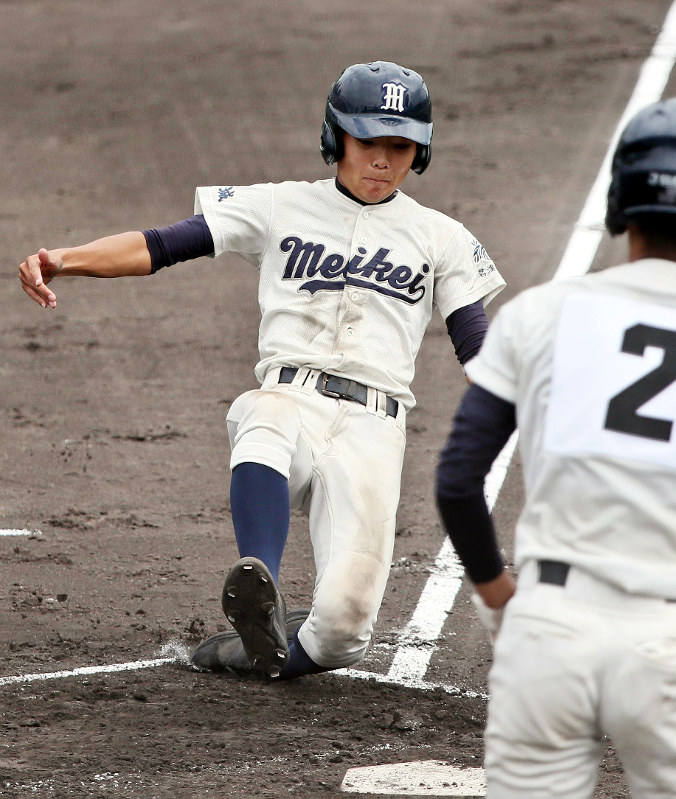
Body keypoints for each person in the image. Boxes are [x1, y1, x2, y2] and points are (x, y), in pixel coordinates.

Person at [19, 60, 505, 681]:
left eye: (400, 145)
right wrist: (66, 259)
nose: (382, 160)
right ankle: (261, 581)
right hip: (292, 399)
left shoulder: (443, 237)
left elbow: (474, 337)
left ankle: (260, 647)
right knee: (264, 415)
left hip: (374, 431)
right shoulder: (280, 206)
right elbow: (163, 244)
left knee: (344, 632)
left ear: (421, 149)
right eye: (368, 142)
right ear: (336, 138)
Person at [436, 95, 676, 798]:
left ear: (620, 203)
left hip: (549, 631)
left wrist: (498, 598)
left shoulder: (540, 312)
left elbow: (458, 481)